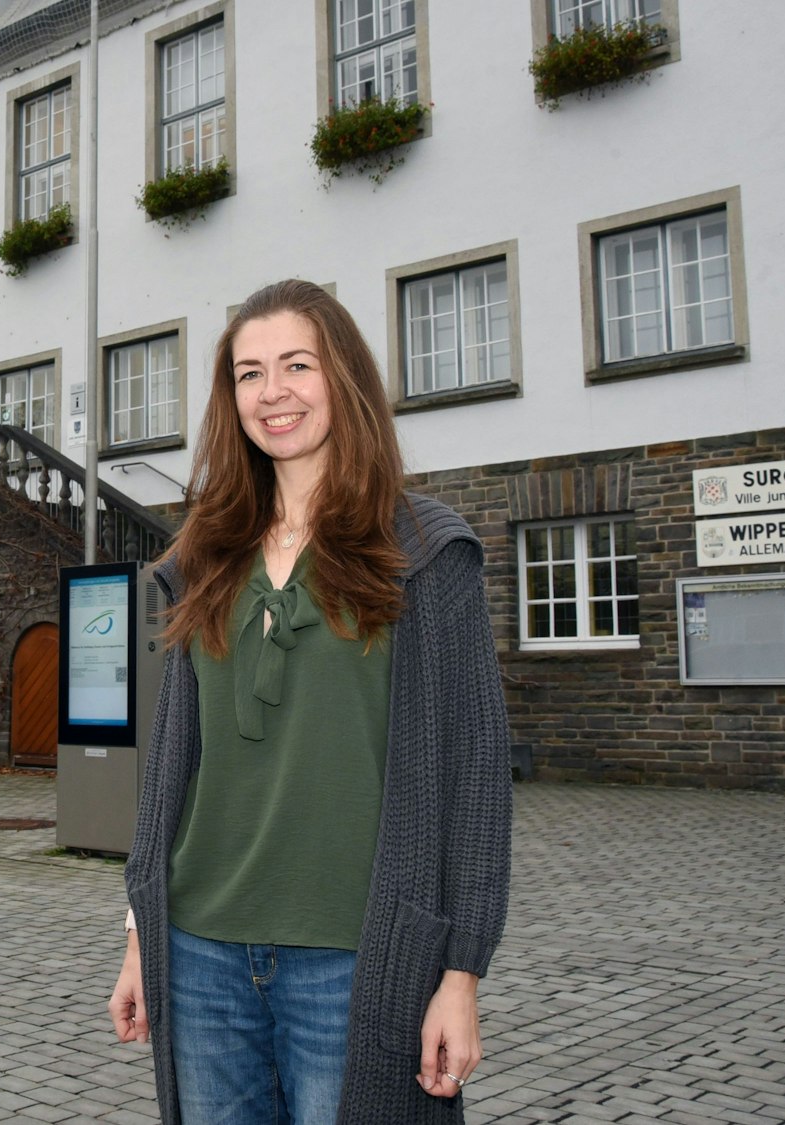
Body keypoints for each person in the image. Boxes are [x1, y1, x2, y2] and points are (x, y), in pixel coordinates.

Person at [106, 279, 511, 1124]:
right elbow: (175, 763)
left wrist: (461, 973)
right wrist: (142, 934)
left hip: (357, 956)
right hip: (202, 952)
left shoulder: (424, 550)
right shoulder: (205, 554)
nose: (272, 392)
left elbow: (474, 776)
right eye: (249, 373)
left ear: (344, 377)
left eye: (297, 364)